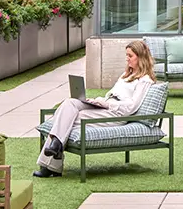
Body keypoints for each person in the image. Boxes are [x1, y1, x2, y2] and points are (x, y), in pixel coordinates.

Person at [34, 40, 156, 178]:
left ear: (140, 57)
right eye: (126, 55)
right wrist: (99, 101)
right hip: (106, 105)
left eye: (130, 56)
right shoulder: (126, 75)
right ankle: (56, 149)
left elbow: (132, 106)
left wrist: (107, 104)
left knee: (68, 118)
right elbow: (112, 93)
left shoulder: (145, 80)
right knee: (70, 103)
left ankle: (51, 163)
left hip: (116, 114)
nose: (126, 58)